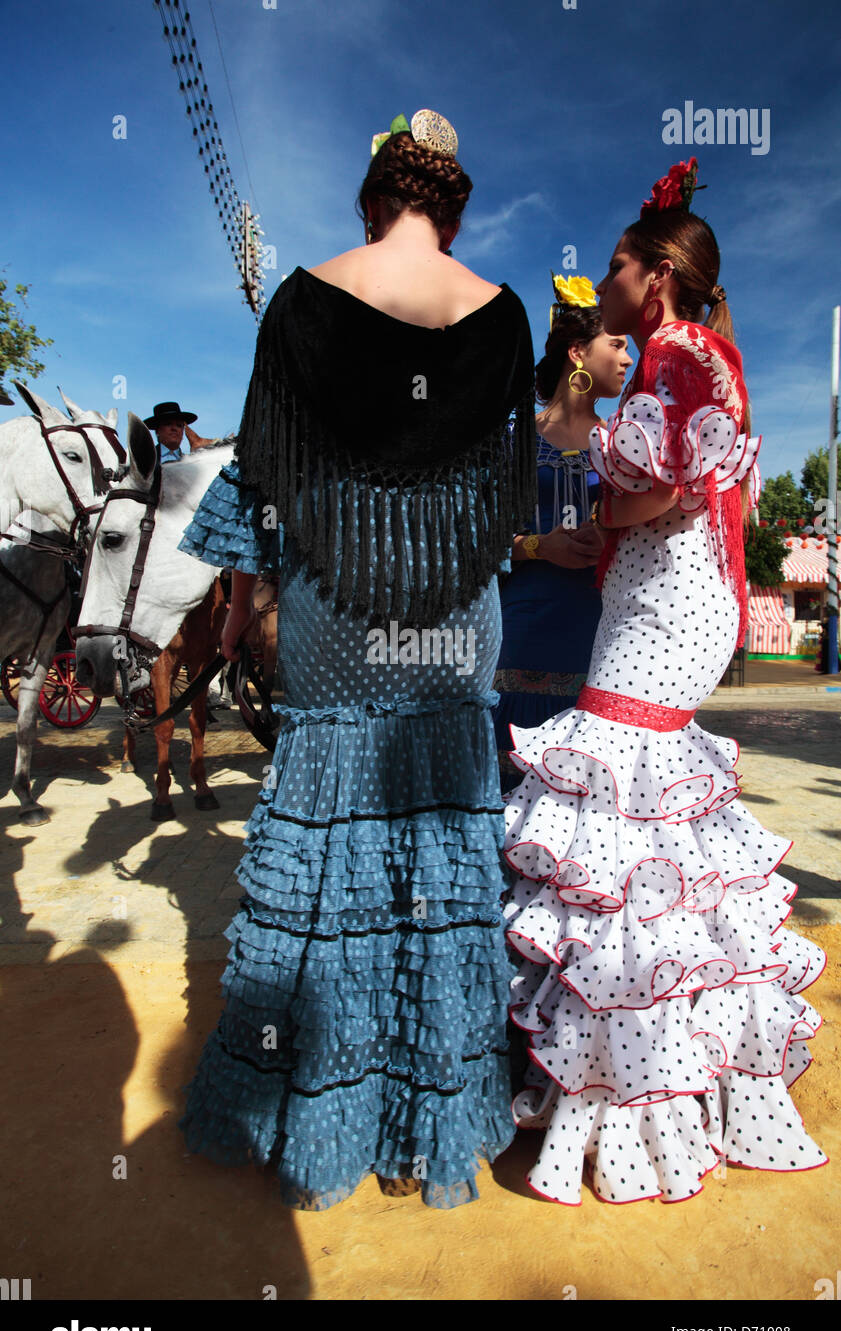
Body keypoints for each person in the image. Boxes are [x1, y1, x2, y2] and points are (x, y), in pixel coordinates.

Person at [176, 110, 536, 1208]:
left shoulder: (298, 299)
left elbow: (261, 480)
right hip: (454, 610)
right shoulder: (505, 316)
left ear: (371, 200)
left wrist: (237, 616)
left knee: (331, 854)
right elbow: (502, 499)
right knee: (442, 851)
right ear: (454, 207)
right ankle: (434, 1110)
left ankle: (319, 1098)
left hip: (337, 605)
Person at [502, 159, 826, 1205]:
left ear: (659, 277)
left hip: (661, 606)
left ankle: (624, 1084)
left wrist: (592, 468)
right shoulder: (703, 354)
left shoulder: (676, 354)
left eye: (616, 268)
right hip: (674, 602)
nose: (607, 285)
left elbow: (655, 492)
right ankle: (663, 1066)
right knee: (641, 818)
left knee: (619, 805)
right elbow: (665, 488)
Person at [493, 273, 631, 792]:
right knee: (514, 795)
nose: (626, 357)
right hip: (521, 636)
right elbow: (471, 542)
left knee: (583, 806)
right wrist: (537, 546)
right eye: (615, 344)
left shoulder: (624, 442)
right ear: (577, 352)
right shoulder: (511, 439)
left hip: (606, 641)